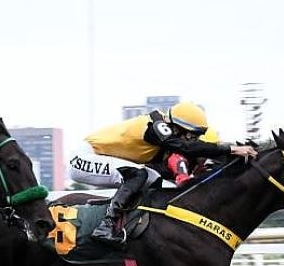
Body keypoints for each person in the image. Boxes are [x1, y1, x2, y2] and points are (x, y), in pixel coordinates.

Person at [66, 102, 257, 246]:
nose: (192, 139)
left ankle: (135, 225)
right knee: (138, 175)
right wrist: (230, 149)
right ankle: (106, 226)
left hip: (99, 157)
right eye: (192, 134)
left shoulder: (166, 129)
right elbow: (186, 147)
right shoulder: (156, 127)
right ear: (177, 126)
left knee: (151, 178)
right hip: (84, 157)